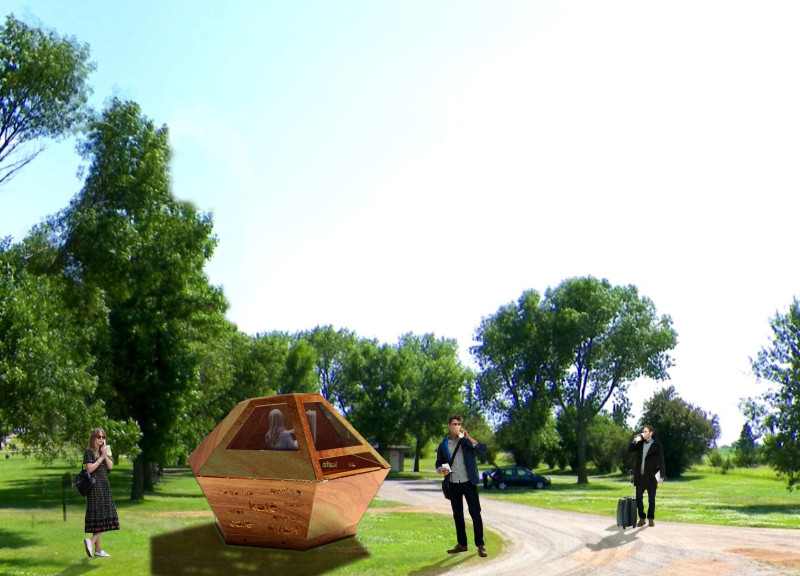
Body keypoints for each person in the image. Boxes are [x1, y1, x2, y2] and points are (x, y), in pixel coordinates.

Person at [435, 414, 488, 558]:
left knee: (475, 513)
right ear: (449, 426)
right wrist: (441, 469)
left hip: (469, 482)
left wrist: (468, 436)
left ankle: (480, 545)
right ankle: (462, 544)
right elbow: (439, 462)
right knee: (457, 515)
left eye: (458, 423)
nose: (456, 426)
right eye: (454, 423)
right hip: (453, 483)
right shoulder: (443, 444)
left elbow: (482, 450)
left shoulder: (466, 442)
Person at [83, 428, 119, 558]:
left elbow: (110, 466)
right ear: (93, 438)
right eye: (99, 437)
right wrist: (101, 458)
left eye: (103, 437)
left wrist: (105, 455)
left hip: (104, 486)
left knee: (99, 518)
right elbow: (90, 468)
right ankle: (91, 542)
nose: (101, 439)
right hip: (95, 487)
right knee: (105, 516)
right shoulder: (89, 452)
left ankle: (97, 549)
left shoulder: (104, 450)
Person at [627, 424, 666, 527]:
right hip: (640, 476)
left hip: (651, 476)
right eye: (643, 431)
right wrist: (634, 441)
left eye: (645, 432)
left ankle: (651, 518)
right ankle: (642, 518)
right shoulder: (640, 443)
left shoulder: (657, 445)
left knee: (651, 499)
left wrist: (662, 475)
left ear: (651, 433)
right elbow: (629, 451)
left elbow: (661, 461)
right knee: (638, 498)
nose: (643, 433)